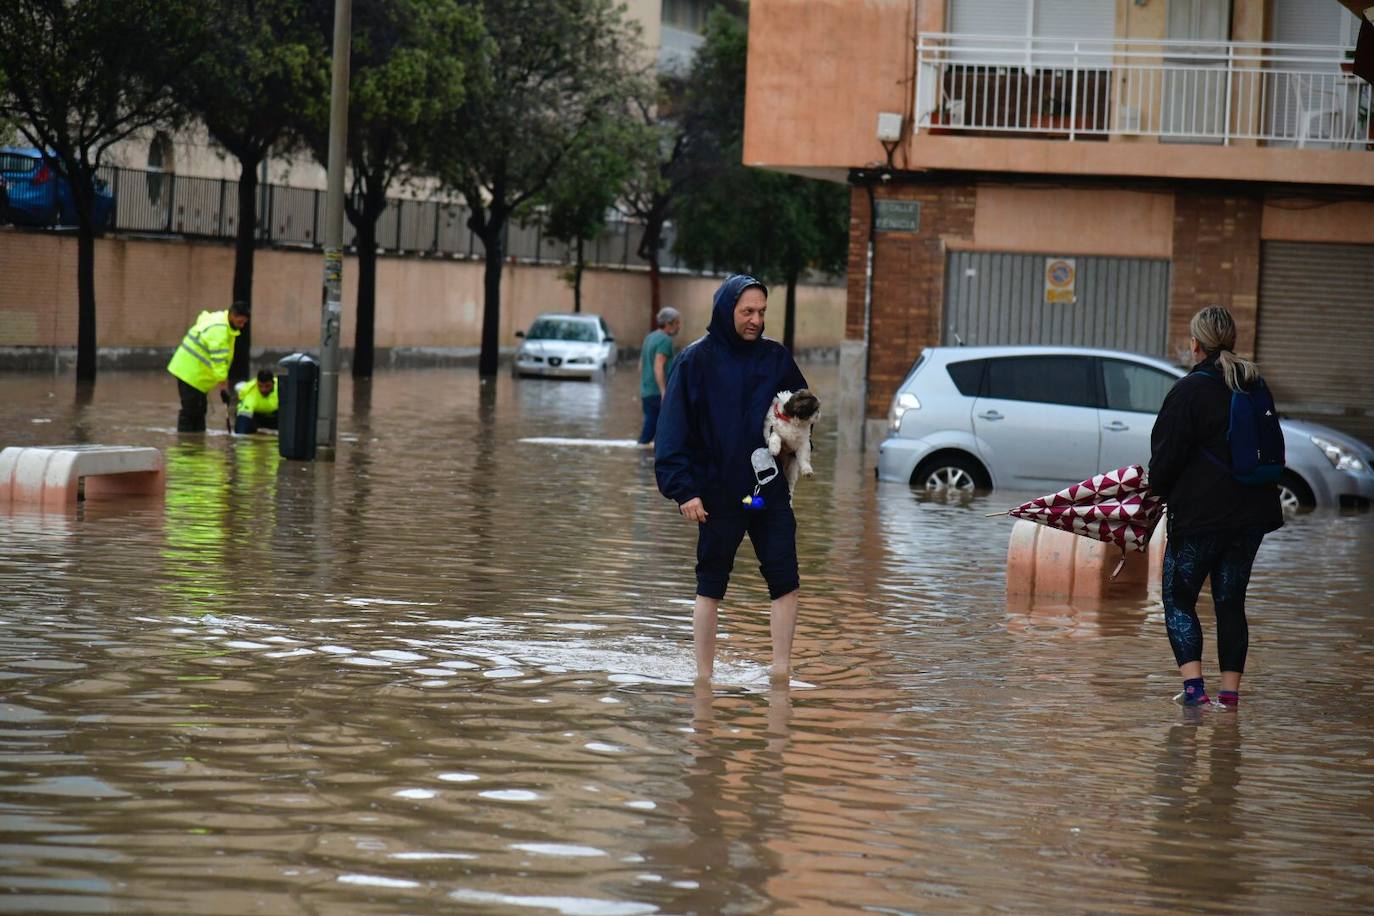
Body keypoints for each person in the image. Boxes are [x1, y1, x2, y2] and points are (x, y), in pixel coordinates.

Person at [655, 275, 808, 684]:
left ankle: (781, 674)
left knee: (785, 578)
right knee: (711, 583)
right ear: (726, 311)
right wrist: (684, 491)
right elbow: (671, 432)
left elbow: (800, 415)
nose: (756, 320)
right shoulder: (694, 361)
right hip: (717, 495)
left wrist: (797, 439)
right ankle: (703, 679)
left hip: (766, 496)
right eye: (747, 312)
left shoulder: (776, 359)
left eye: (761, 312)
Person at [1148, 306, 1283, 710]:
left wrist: (1155, 491)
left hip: (1201, 517)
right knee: (1230, 601)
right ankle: (1229, 697)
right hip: (1252, 515)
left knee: (1178, 597)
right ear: (1232, 341)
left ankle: (1194, 693)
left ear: (1195, 344)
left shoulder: (1188, 391)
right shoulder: (1254, 385)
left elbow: (1165, 460)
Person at [167, 301, 250, 432]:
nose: (242, 326)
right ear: (232, 315)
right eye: (240, 322)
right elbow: (219, 359)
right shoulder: (220, 331)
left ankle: (197, 441)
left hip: (195, 374)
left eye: (244, 322)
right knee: (191, 411)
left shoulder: (220, 320)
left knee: (199, 410)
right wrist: (223, 387)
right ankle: (186, 442)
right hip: (191, 374)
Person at [638, 307, 681, 445]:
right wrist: (664, 392)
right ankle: (641, 460)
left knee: (655, 430)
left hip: (646, 391)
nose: (679, 326)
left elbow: (641, 365)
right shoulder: (665, 340)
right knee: (652, 432)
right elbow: (658, 366)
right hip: (658, 392)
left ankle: (646, 461)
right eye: (677, 323)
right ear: (669, 323)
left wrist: (645, 383)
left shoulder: (649, 337)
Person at [233, 368, 279, 434]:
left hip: (275, 418)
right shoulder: (250, 393)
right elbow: (243, 419)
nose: (263, 389)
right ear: (257, 383)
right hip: (256, 419)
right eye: (260, 386)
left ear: (273, 383)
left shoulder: (282, 388)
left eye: (267, 386)